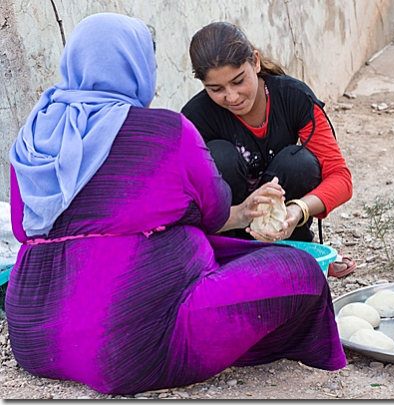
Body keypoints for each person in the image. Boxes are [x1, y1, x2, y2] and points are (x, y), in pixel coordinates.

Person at [6, 13, 346, 395]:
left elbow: (24, 228)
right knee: (298, 271)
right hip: (129, 347)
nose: (231, 97)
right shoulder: (167, 129)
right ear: (137, 68)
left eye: (239, 82)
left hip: (35, 335)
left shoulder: (34, 137)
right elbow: (215, 212)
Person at [181, 22, 356, 278]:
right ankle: (233, 260)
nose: (232, 97)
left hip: (284, 227)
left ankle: (300, 251)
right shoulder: (195, 119)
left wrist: (298, 210)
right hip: (228, 234)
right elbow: (184, 207)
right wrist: (238, 215)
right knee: (220, 158)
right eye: (215, 89)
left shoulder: (293, 97)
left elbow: (340, 178)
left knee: (300, 163)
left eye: (238, 81)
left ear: (256, 62)